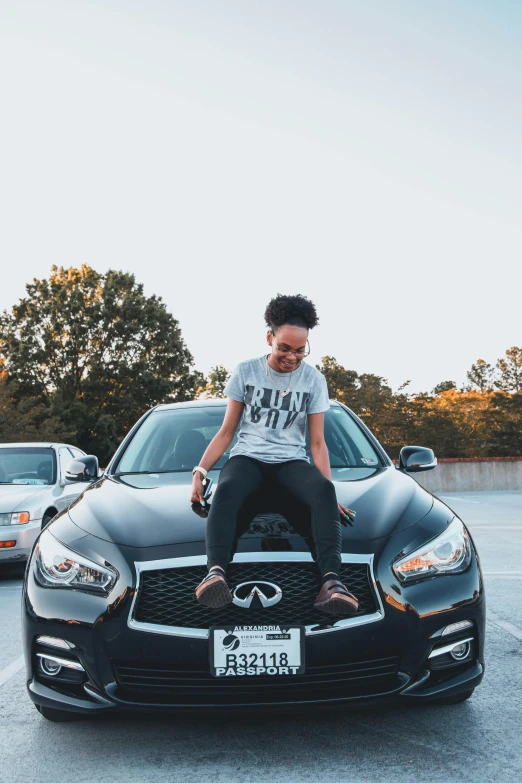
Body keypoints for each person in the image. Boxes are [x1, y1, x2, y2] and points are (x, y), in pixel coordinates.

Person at [191, 294, 358, 616]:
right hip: (248, 459)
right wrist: (200, 472)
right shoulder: (246, 372)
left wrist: (325, 494)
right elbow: (227, 431)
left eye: (300, 350)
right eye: (284, 348)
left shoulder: (313, 380)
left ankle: (331, 583)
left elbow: (318, 443)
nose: (292, 357)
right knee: (227, 489)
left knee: (323, 489)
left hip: (290, 463)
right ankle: (215, 574)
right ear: (270, 337)